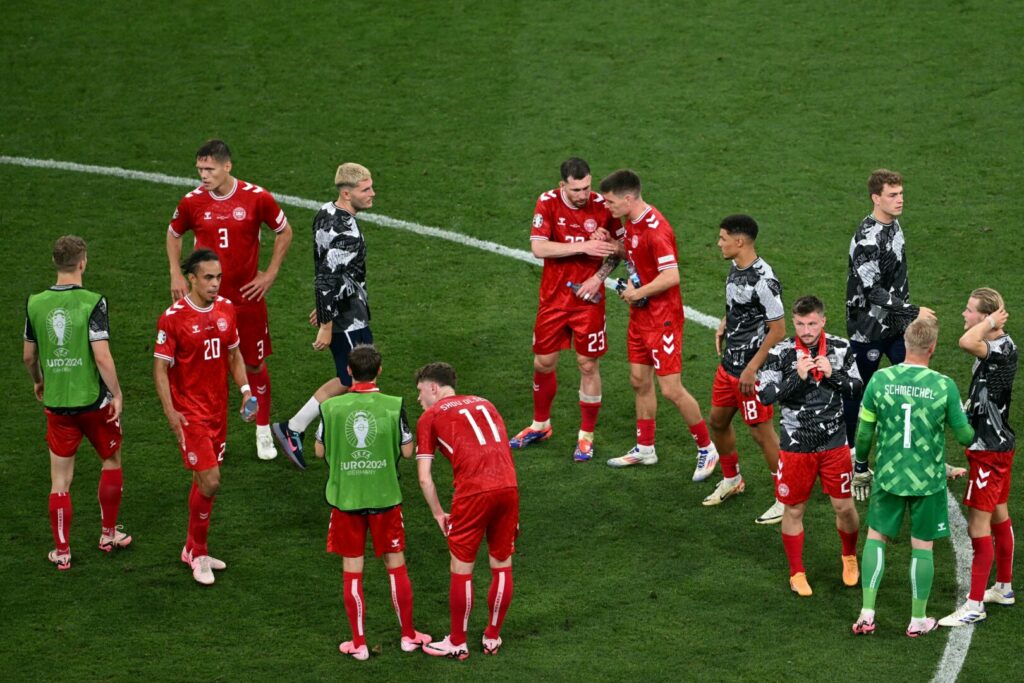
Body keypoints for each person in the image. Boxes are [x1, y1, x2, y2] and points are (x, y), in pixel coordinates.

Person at [166, 139, 293, 462]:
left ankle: (262, 427)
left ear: (227, 166)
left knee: (254, 363)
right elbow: (174, 233)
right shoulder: (192, 202)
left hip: (246, 299)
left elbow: (284, 231)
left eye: (209, 169)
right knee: (204, 366)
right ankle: (204, 429)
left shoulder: (256, 197)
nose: (203, 175)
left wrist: (270, 274)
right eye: (200, 169)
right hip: (205, 302)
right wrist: (175, 273)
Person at [850, 317, 974, 637]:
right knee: (922, 546)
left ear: (905, 344)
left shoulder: (880, 380)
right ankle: (917, 619)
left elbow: (863, 433)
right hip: (926, 480)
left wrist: (861, 466)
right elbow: (964, 436)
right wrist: (970, 415)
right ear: (932, 348)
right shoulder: (944, 386)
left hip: (889, 475)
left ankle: (866, 614)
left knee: (876, 538)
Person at [311, 344, 430, 659]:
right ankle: (408, 636)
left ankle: (359, 644)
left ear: (349, 371)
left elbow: (319, 451)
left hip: (346, 499)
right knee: (396, 566)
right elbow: (408, 451)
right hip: (384, 497)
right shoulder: (393, 405)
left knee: (353, 569)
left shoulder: (331, 408)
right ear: (379, 371)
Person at [596, 169, 718, 470]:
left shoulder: (656, 229)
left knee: (671, 389)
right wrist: (616, 247)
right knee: (639, 380)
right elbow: (638, 255)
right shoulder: (631, 221)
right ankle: (646, 448)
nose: (606, 207)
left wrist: (637, 293)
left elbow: (671, 276)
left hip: (663, 319)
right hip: (641, 315)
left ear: (628, 198)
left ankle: (707, 448)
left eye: (610, 202)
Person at [24, 235, 130, 570]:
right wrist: (117, 393)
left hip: (57, 404)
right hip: (94, 402)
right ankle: (108, 534)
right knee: (111, 460)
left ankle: (63, 552)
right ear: (83, 262)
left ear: (55, 262)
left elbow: (29, 356)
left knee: (60, 480)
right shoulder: (93, 302)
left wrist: (39, 380)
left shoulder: (35, 303)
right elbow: (102, 357)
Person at [508, 158, 622, 462]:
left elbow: (623, 251)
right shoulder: (547, 203)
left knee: (588, 365)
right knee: (543, 362)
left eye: (587, 187)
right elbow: (539, 248)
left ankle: (586, 436)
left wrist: (600, 274)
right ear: (562, 186)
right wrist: (584, 245)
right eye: (576, 190)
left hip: (588, 302)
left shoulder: (602, 205)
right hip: (553, 300)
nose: (583, 195)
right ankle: (540, 425)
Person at [154, 249, 255, 585]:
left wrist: (245, 391)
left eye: (218, 277)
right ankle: (198, 552)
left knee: (203, 482)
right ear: (192, 279)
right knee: (211, 481)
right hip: (190, 415)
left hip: (217, 412)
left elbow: (234, 354)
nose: (215, 284)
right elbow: (160, 368)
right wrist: (171, 412)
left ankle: (191, 548)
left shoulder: (226, 309)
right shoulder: (173, 318)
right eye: (208, 277)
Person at [758, 296, 862, 596]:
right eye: (800, 324)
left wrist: (833, 374)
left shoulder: (840, 348)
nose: (806, 330)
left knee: (844, 507)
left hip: (834, 442)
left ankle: (849, 555)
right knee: (793, 509)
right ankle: (797, 572)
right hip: (796, 446)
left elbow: (857, 389)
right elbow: (766, 395)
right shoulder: (779, 352)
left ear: (823, 321)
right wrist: (797, 378)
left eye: (812, 324)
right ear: (793, 322)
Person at [273, 163, 375, 469]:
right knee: (359, 379)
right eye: (365, 189)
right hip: (349, 317)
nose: (372, 193)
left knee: (348, 378)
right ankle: (316, 434)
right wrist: (327, 324)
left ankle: (297, 428)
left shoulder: (325, 212)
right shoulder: (347, 232)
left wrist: (323, 307)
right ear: (347, 193)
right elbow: (327, 278)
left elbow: (325, 271)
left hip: (341, 308)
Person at [415, 363, 519, 660]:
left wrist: (438, 513)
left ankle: (457, 642)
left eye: (420, 392)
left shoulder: (431, 416)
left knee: (462, 568)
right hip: (508, 487)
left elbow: (424, 478)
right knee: (502, 563)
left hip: (473, 493)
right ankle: (492, 637)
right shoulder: (486, 403)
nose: (419, 399)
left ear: (433, 387)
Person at [939, 289, 1017, 626]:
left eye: (969, 310)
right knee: (999, 515)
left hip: (989, 451)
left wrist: (988, 322)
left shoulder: (998, 349)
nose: (963, 314)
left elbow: (965, 342)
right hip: (996, 446)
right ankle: (1003, 587)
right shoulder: (1000, 345)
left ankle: (973, 606)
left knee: (977, 526)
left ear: (987, 318)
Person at [843, 169, 934, 453]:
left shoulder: (894, 224)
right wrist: (914, 311)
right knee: (857, 391)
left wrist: (906, 316)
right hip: (867, 330)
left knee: (916, 383)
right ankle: (849, 453)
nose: (900, 200)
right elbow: (873, 292)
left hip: (897, 326)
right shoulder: (867, 240)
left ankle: (921, 448)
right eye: (892, 195)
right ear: (876, 198)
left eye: (901, 193)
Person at [704, 214, 787, 524]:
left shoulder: (764, 279)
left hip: (751, 372)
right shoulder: (736, 266)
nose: (719, 243)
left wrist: (752, 368)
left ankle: (785, 497)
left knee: (762, 434)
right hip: (729, 366)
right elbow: (741, 306)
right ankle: (732, 479)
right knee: (717, 421)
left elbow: (778, 330)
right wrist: (725, 322)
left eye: (723, 238)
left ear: (739, 241)